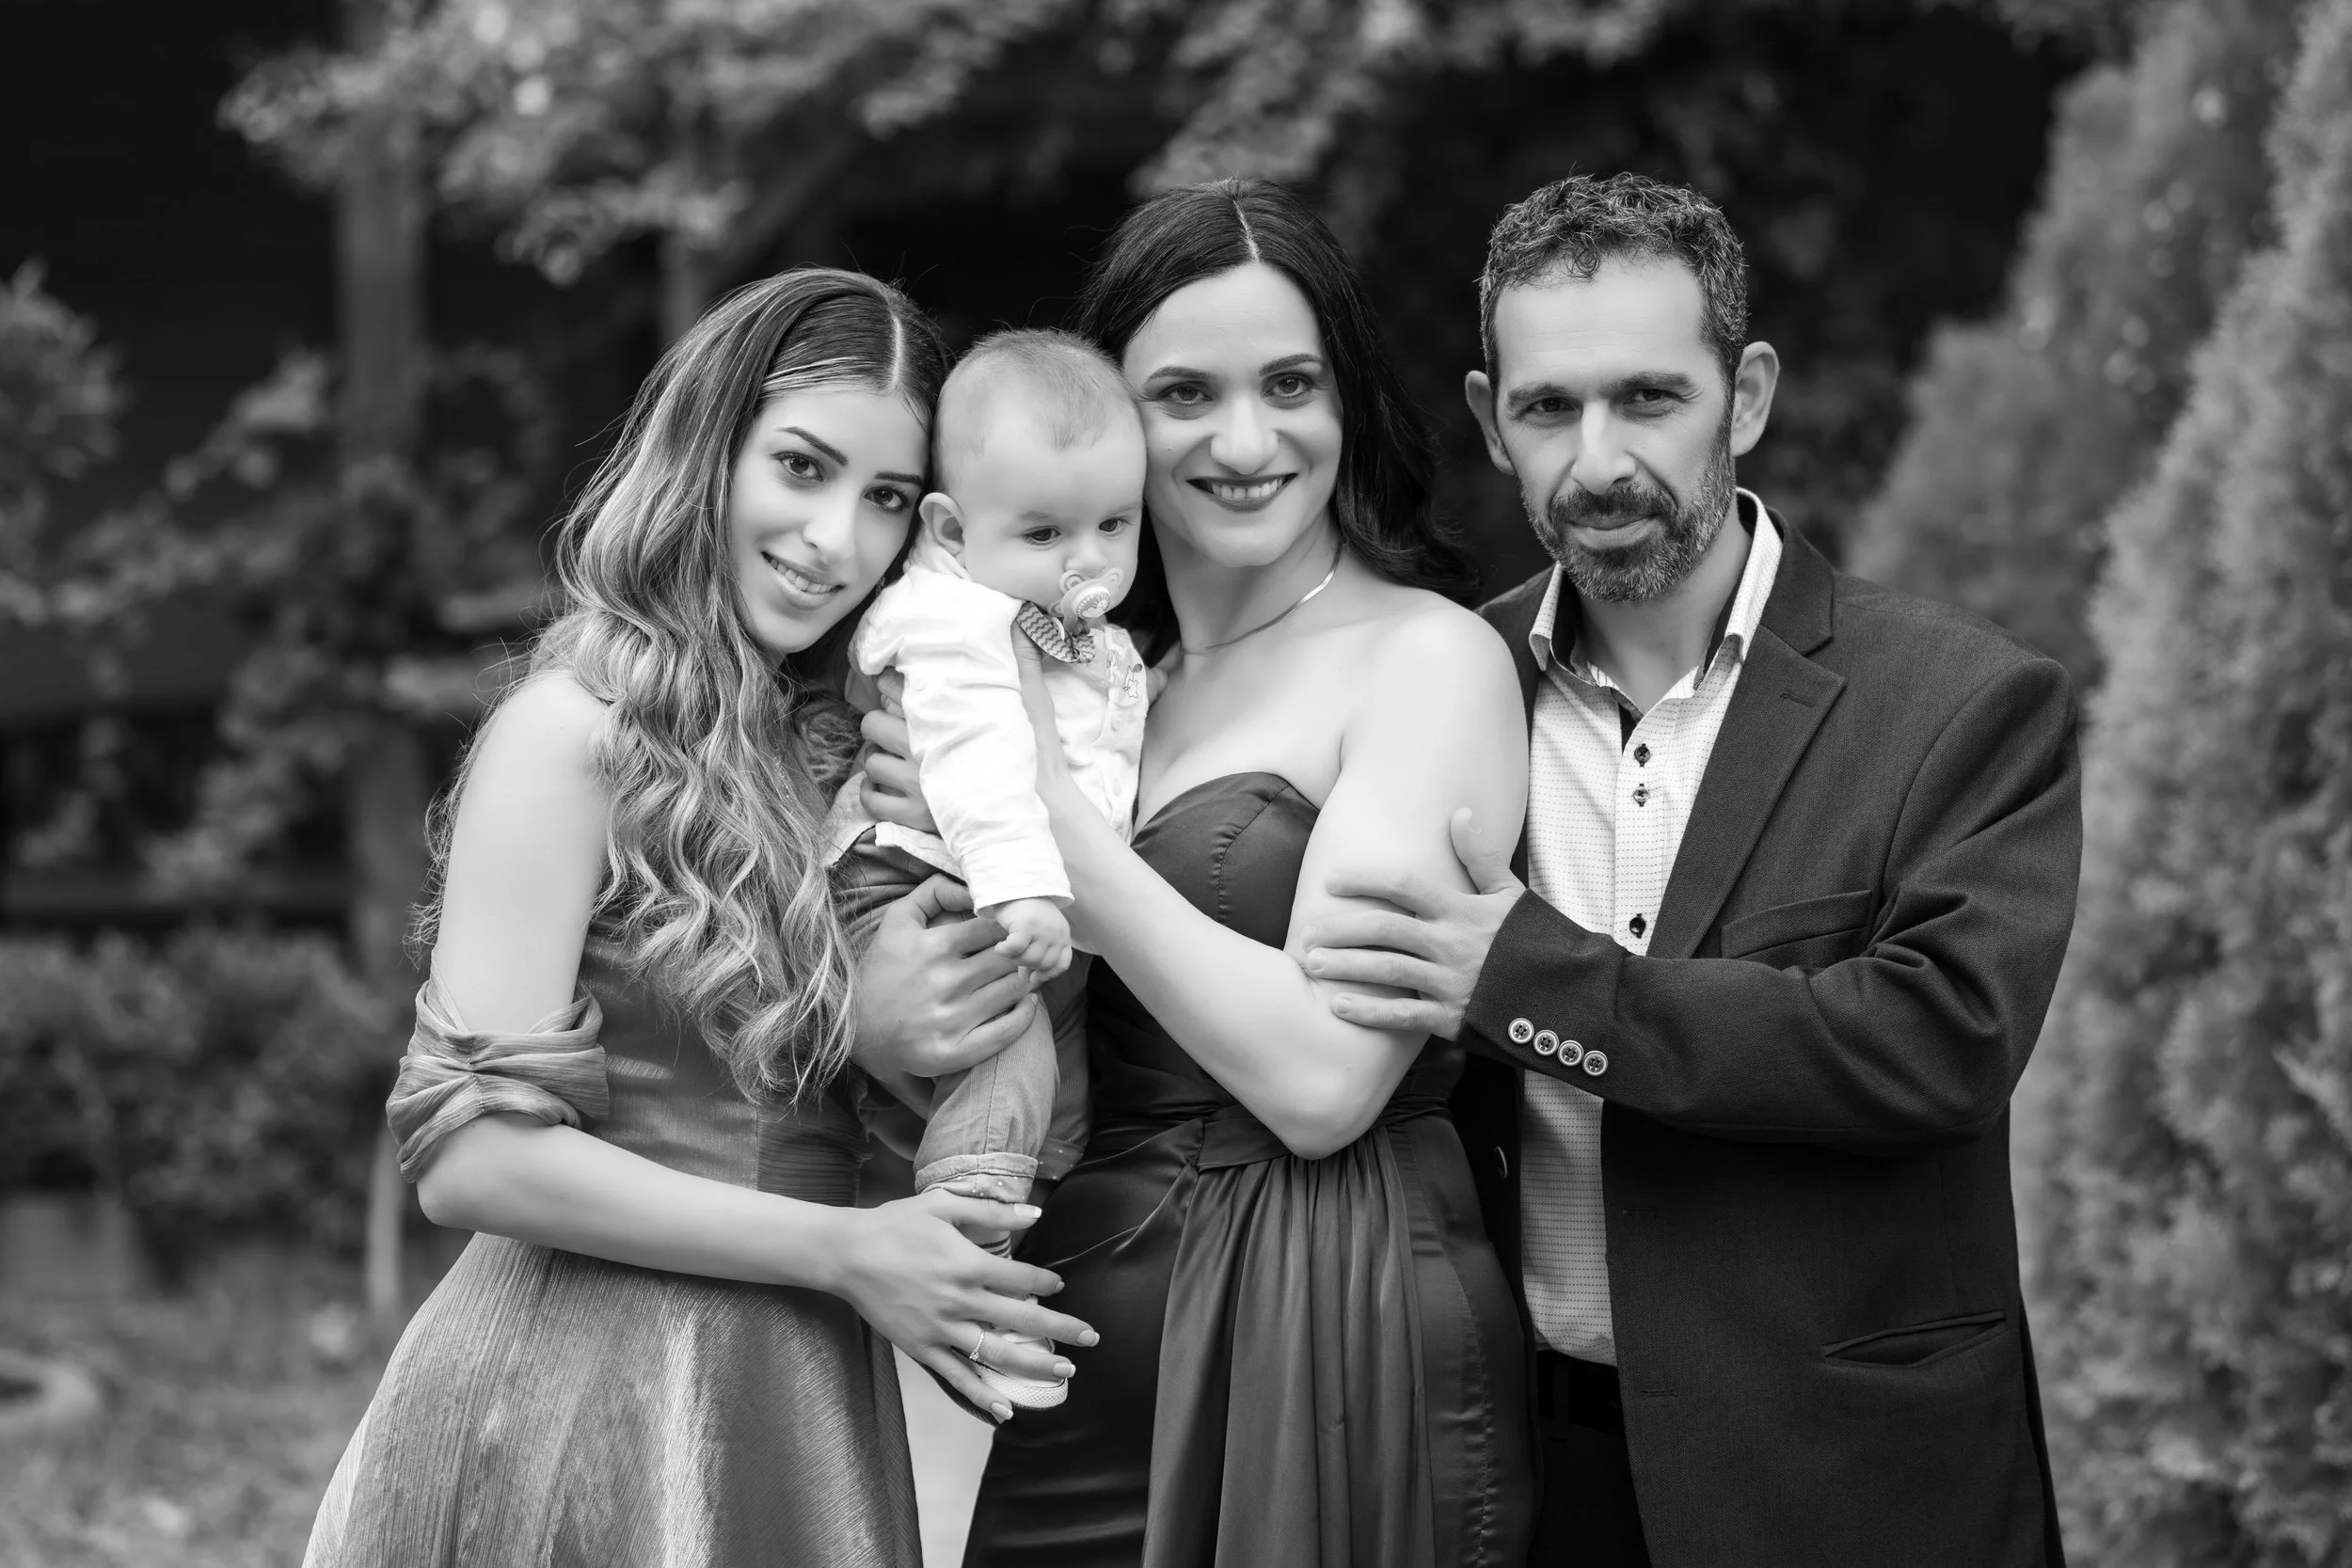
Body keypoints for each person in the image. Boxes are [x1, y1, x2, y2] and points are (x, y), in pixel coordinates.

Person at [1298, 173, 2080, 1566]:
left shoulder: (1963, 701)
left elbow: (1937, 1042)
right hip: (1529, 1475)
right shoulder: (1439, 685)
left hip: (1849, 1480)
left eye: (1649, 398)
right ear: (1491, 420)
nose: (1599, 460)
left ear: (1749, 395)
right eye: (1549, 409)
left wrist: (1526, 977)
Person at [303, 269, 1095, 1568]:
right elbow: (470, 1160)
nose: (836, 537)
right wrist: (845, 1248)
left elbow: (846, 1115)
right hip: (579, 1391)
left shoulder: (848, 751)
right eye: (801, 465)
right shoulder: (570, 734)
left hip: (797, 1389)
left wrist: (896, 1037)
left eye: (886, 498)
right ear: (707, 450)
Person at [861, 179, 1536, 1567]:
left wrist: (1045, 820)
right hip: (1086, 1324)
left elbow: (1321, 1082)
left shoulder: (1426, 659)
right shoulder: (1106, 688)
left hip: (1329, 1311)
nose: (1246, 439)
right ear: (1114, 421)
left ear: (1347, 399)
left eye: (1290, 381)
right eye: (1184, 393)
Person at [828, 327, 1152, 1412]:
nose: (1090, 559)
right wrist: (1023, 886)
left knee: (1052, 1106)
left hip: (1022, 894)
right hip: (934, 881)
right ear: (954, 529)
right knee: (1006, 1066)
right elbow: (973, 763)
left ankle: (997, 1220)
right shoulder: (963, 621)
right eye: (1049, 530)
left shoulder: (1073, 625)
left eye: (1115, 523)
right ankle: (965, 1277)